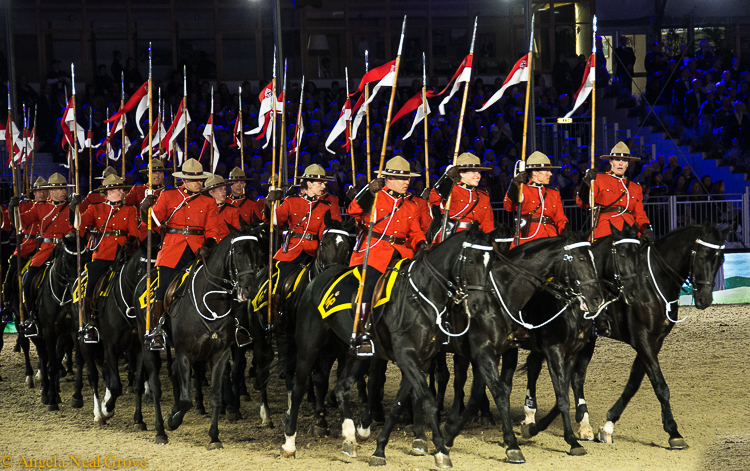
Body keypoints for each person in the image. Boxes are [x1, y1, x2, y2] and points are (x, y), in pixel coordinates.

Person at [348, 156, 427, 356]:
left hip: (402, 254)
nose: (407, 182)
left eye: (408, 178)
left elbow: (415, 231)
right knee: (369, 284)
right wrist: (368, 190)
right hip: (374, 251)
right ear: (388, 179)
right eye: (402, 178)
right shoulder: (375, 196)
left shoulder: (411, 204)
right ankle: (361, 332)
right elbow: (353, 210)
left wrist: (422, 243)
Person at [140, 158, 219, 349]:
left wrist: (207, 245)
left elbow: (212, 231)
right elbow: (153, 222)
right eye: (196, 180)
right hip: (172, 249)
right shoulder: (169, 196)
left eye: (201, 180)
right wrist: (145, 207)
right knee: (163, 286)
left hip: (198, 251)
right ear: (184, 180)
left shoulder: (209, 201)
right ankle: (158, 328)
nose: (200, 183)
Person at [577, 142, 653, 337]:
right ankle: (598, 313)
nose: (620, 163)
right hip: (604, 232)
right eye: (617, 159)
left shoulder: (635, 187)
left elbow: (640, 214)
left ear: (628, 164)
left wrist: (646, 228)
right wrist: (587, 183)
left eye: (624, 160)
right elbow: (582, 202)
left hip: (629, 234)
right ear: (610, 161)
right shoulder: (599, 179)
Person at [263, 164, 342, 320]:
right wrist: (268, 202)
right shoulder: (291, 202)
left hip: (315, 250)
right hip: (293, 249)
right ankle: (275, 313)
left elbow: (330, 231)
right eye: (320, 183)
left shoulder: (327, 206)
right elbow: (273, 220)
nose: (324, 186)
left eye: (324, 183)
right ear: (309, 184)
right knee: (283, 274)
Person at [69, 175, 139, 343]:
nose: (122, 192)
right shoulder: (95, 208)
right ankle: (89, 322)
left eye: (122, 189)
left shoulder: (130, 210)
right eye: (118, 190)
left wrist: (130, 242)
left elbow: (134, 232)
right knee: (91, 282)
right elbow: (78, 224)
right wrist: (73, 208)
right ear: (108, 192)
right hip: (102, 253)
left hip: (123, 253)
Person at [9, 173, 74, 337]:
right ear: (50, 191)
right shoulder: (40, 208)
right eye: (59, 188)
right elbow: (19, 223)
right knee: (28, 281)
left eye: (64, 188)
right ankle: (31, 317)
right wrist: (12, 209)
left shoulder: (71, 207)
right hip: (46, 251)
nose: (63, 191)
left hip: (67, 251)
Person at [0, 177, 47, 322]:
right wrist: (12, 209)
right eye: (39, 191)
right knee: (11, 270)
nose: (42, 194)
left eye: (45, 190)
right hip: (27, 245)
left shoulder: (52, 207)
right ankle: (6, 303)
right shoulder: (25, 205)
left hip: (45, 245)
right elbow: (14, 223)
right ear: (34, 192)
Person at [504, 152, 568, 246]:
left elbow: (560, 219)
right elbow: (508, 206)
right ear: (535, 172)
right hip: (528, 237)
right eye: (547, 171)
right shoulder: (522, 189)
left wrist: (566, 233)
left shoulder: (553, 193)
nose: (550, 174)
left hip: (550, 237)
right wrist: (514, 184)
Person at [430, 152, 494, 241]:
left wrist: (489, 240)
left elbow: (487, 224)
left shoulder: (483, 196)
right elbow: (434, 199)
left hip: (474, 238)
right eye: (473, 171)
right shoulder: (451, 189)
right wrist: (446, 178)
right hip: (451, 236)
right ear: (461, 174)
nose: (478, 175)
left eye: (479, 172)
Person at [125, 158, 173, 240]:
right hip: (143, 233)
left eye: (160, 172)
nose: (157, 175)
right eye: (154, 172)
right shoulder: (138, 189)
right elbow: (124, 204)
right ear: (147, 174)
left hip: (163, 233)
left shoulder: (168, 191)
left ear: (163, 174)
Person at [202, 174, 240, 243]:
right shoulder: (202, 210)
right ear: (211, 192)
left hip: (226, 248)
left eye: (225, 189)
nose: (224, 191)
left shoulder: (233, 210)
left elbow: (237, 232)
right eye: (220, 189)